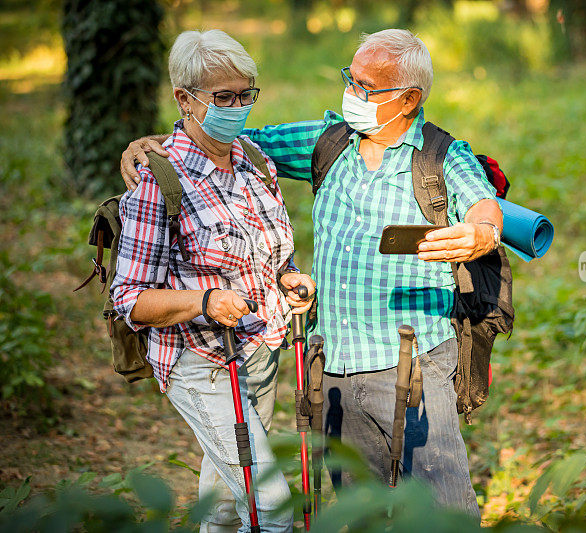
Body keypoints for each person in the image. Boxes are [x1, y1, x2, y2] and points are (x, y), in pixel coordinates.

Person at [120, 29, 502, 518]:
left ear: (408, 98)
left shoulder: (440, 157)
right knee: (360, 512)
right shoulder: (330, 141)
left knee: (444, 512)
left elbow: (481, 203)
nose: (352, 94)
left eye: (367, 88)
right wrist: (149, 146)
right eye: (351, 79)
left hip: (413, 367)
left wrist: (482, 234)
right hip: (335, 368)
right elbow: (222, 141)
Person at [111, 29, 315, 532]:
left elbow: (267, 253)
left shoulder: (255, 162)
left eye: (247, 94)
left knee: (224, 501)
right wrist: (205, 300)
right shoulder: (159, 180)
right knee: (269, 504)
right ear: (185, 98)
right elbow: (128, 298)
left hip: (260, 350)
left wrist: (287, 279)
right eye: (224, 97)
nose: (239, 106)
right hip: (202, 361)